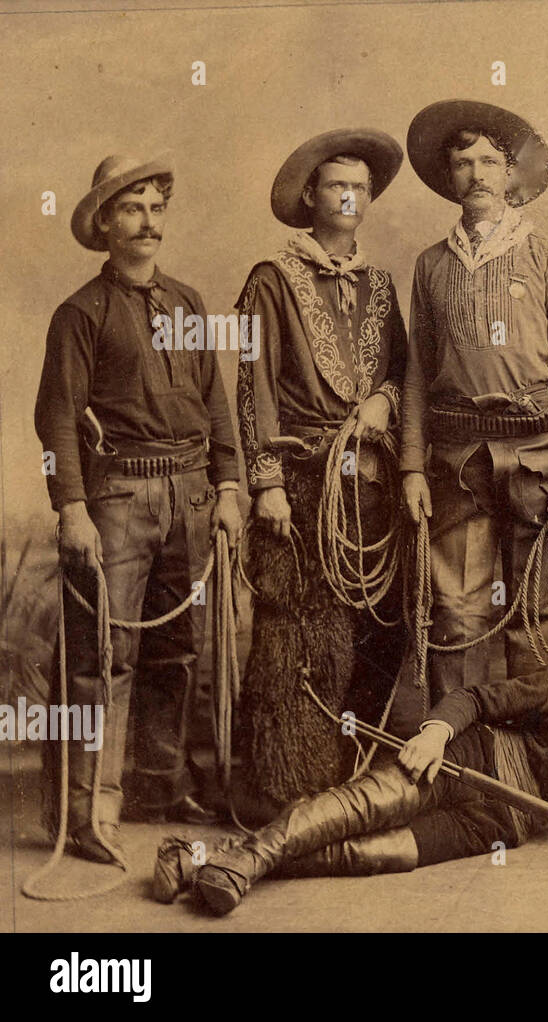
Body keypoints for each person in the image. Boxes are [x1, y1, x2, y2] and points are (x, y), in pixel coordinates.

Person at [153, 558, 548, 915]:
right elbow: (475, 698)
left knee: (377, 854)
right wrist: (436, 732)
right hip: (465, 761)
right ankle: (243, 864)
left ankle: (203, 859)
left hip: (498, 822)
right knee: (362, 805)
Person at [35, 152, 242, 860]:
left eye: (156, 206)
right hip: (116, 498)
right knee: (102, 654)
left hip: (190, 495)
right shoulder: (80, 314)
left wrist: (232, 487)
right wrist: (72, 507)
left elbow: (217, 405)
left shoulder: (187, 304)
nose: (147, 221)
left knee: (177, 652)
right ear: (104, 223)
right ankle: (87, 812)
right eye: (131, 208)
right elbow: (57, 420)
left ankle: (161, 784)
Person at [235, 129, 409, 813]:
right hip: (301, 484)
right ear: (311, 195)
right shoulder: (270, 281)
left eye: (360, 187)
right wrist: (267, 482)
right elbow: (254, 387)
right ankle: (285, 790)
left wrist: (382, 400)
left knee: (375, 631)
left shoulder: (383, 284)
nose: (348, 196)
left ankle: (353, 785)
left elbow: (400, 372)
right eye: (336, 184)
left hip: (371, 487)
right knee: (298, 639)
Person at [400, 100, 548, 702]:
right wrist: (410, 465)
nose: (477, 174)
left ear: (511, 175)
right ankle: (457, 758)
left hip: (537, 452)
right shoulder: (432, 265)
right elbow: (415, 374)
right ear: (449, 178)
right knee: (458, 612)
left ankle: (531, 759)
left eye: (489, 162)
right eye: (463, 163)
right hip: (458, 458)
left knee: (538, 614)